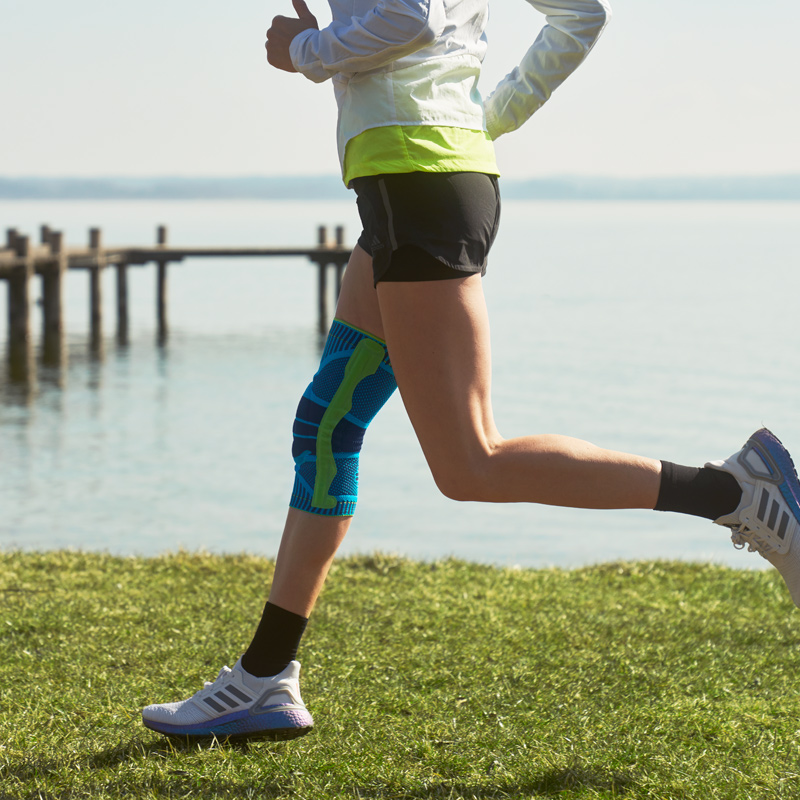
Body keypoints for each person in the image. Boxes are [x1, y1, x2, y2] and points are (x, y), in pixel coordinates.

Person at [141, 0, 800, 741]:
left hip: (419, 189)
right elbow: (577, 16)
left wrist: (306, 50)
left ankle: (737, 491)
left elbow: (409, 17)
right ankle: (264, 679)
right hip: (408, 184)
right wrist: (478, 119)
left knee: (470, 462)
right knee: (328, 425)